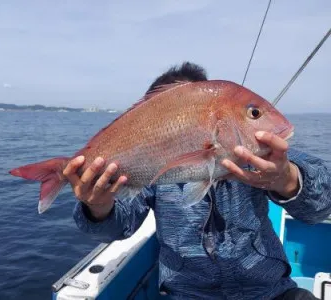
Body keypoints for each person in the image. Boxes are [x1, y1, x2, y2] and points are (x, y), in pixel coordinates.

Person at [64, 62, 331, 299]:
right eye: (254, 114)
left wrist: (287, 178)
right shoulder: (149, 165)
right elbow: (117, 228)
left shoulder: (262, 158)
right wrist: (97, 208)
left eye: (254, 114)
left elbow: (322, 205)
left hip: (269, 291)